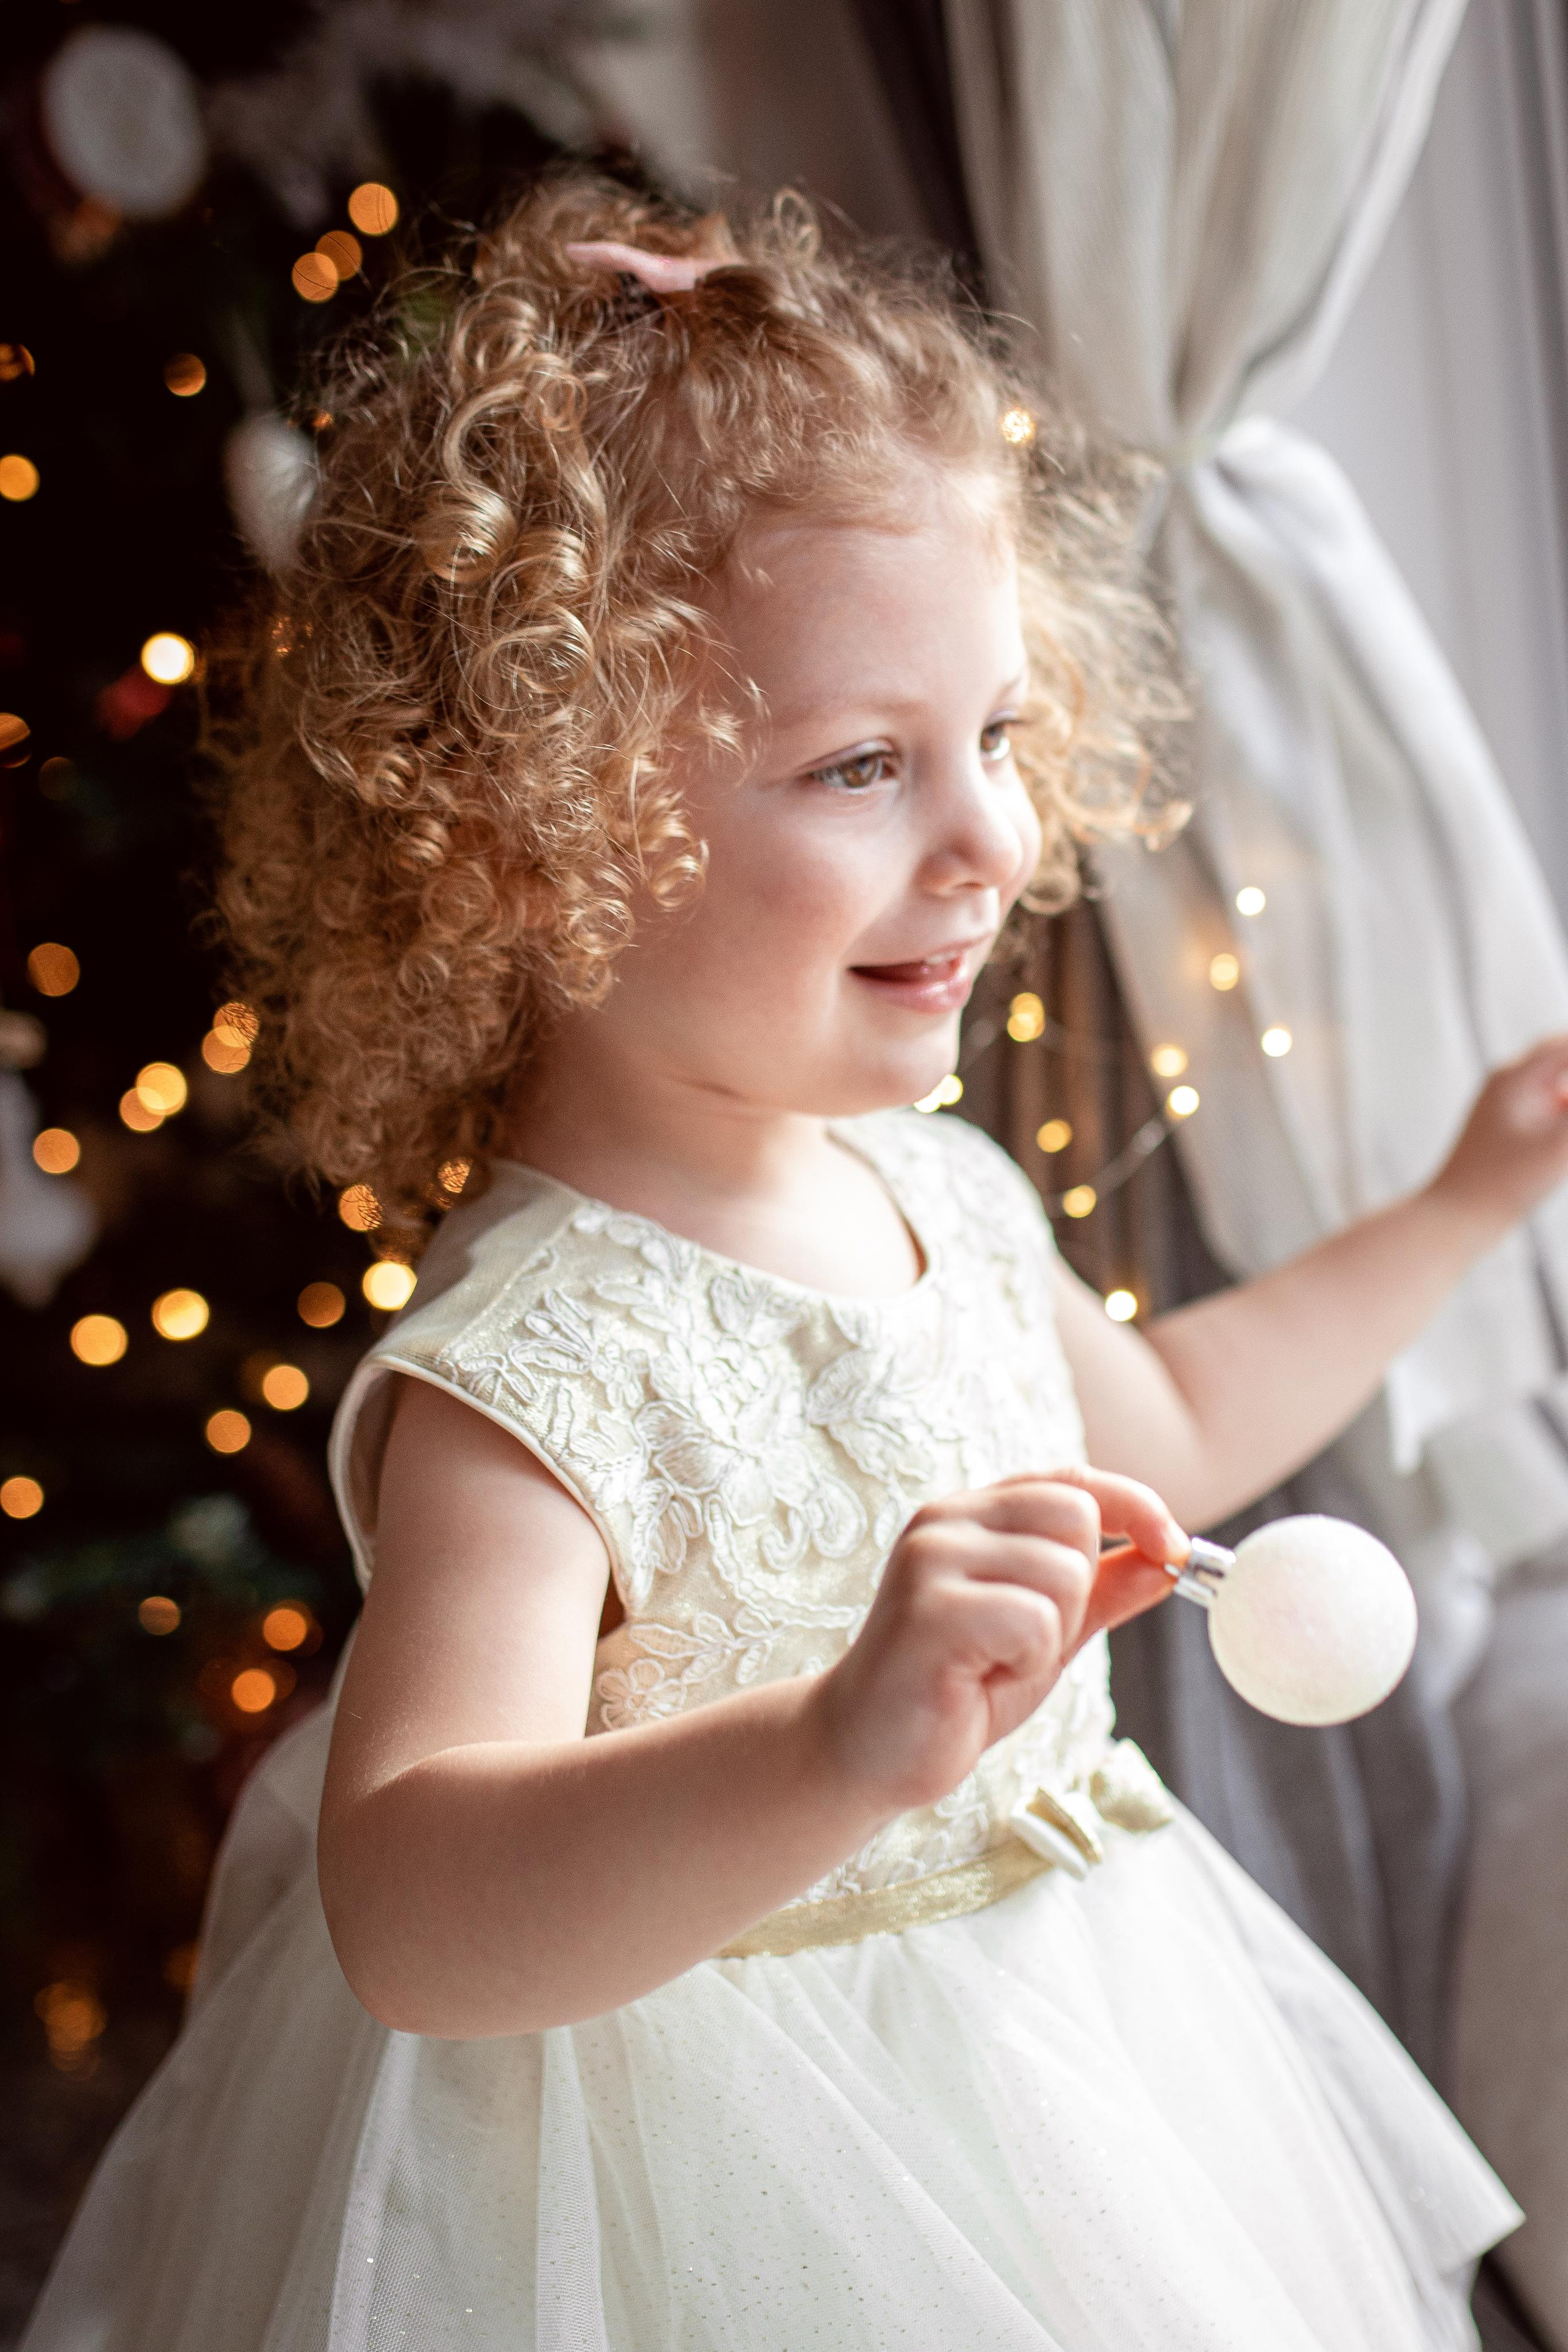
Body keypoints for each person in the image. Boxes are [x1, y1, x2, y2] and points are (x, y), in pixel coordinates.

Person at [24, 173, 1568, 2352]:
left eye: (999, 740)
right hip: (689, 2189)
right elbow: (414, 1909)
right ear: (533, 834)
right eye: (864, 766)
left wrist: (1471, 1199)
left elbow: (1188, 1429)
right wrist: (837, 1743)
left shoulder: (932, 1187)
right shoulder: (536, 1366)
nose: (995, 844)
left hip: (1085, 2072)